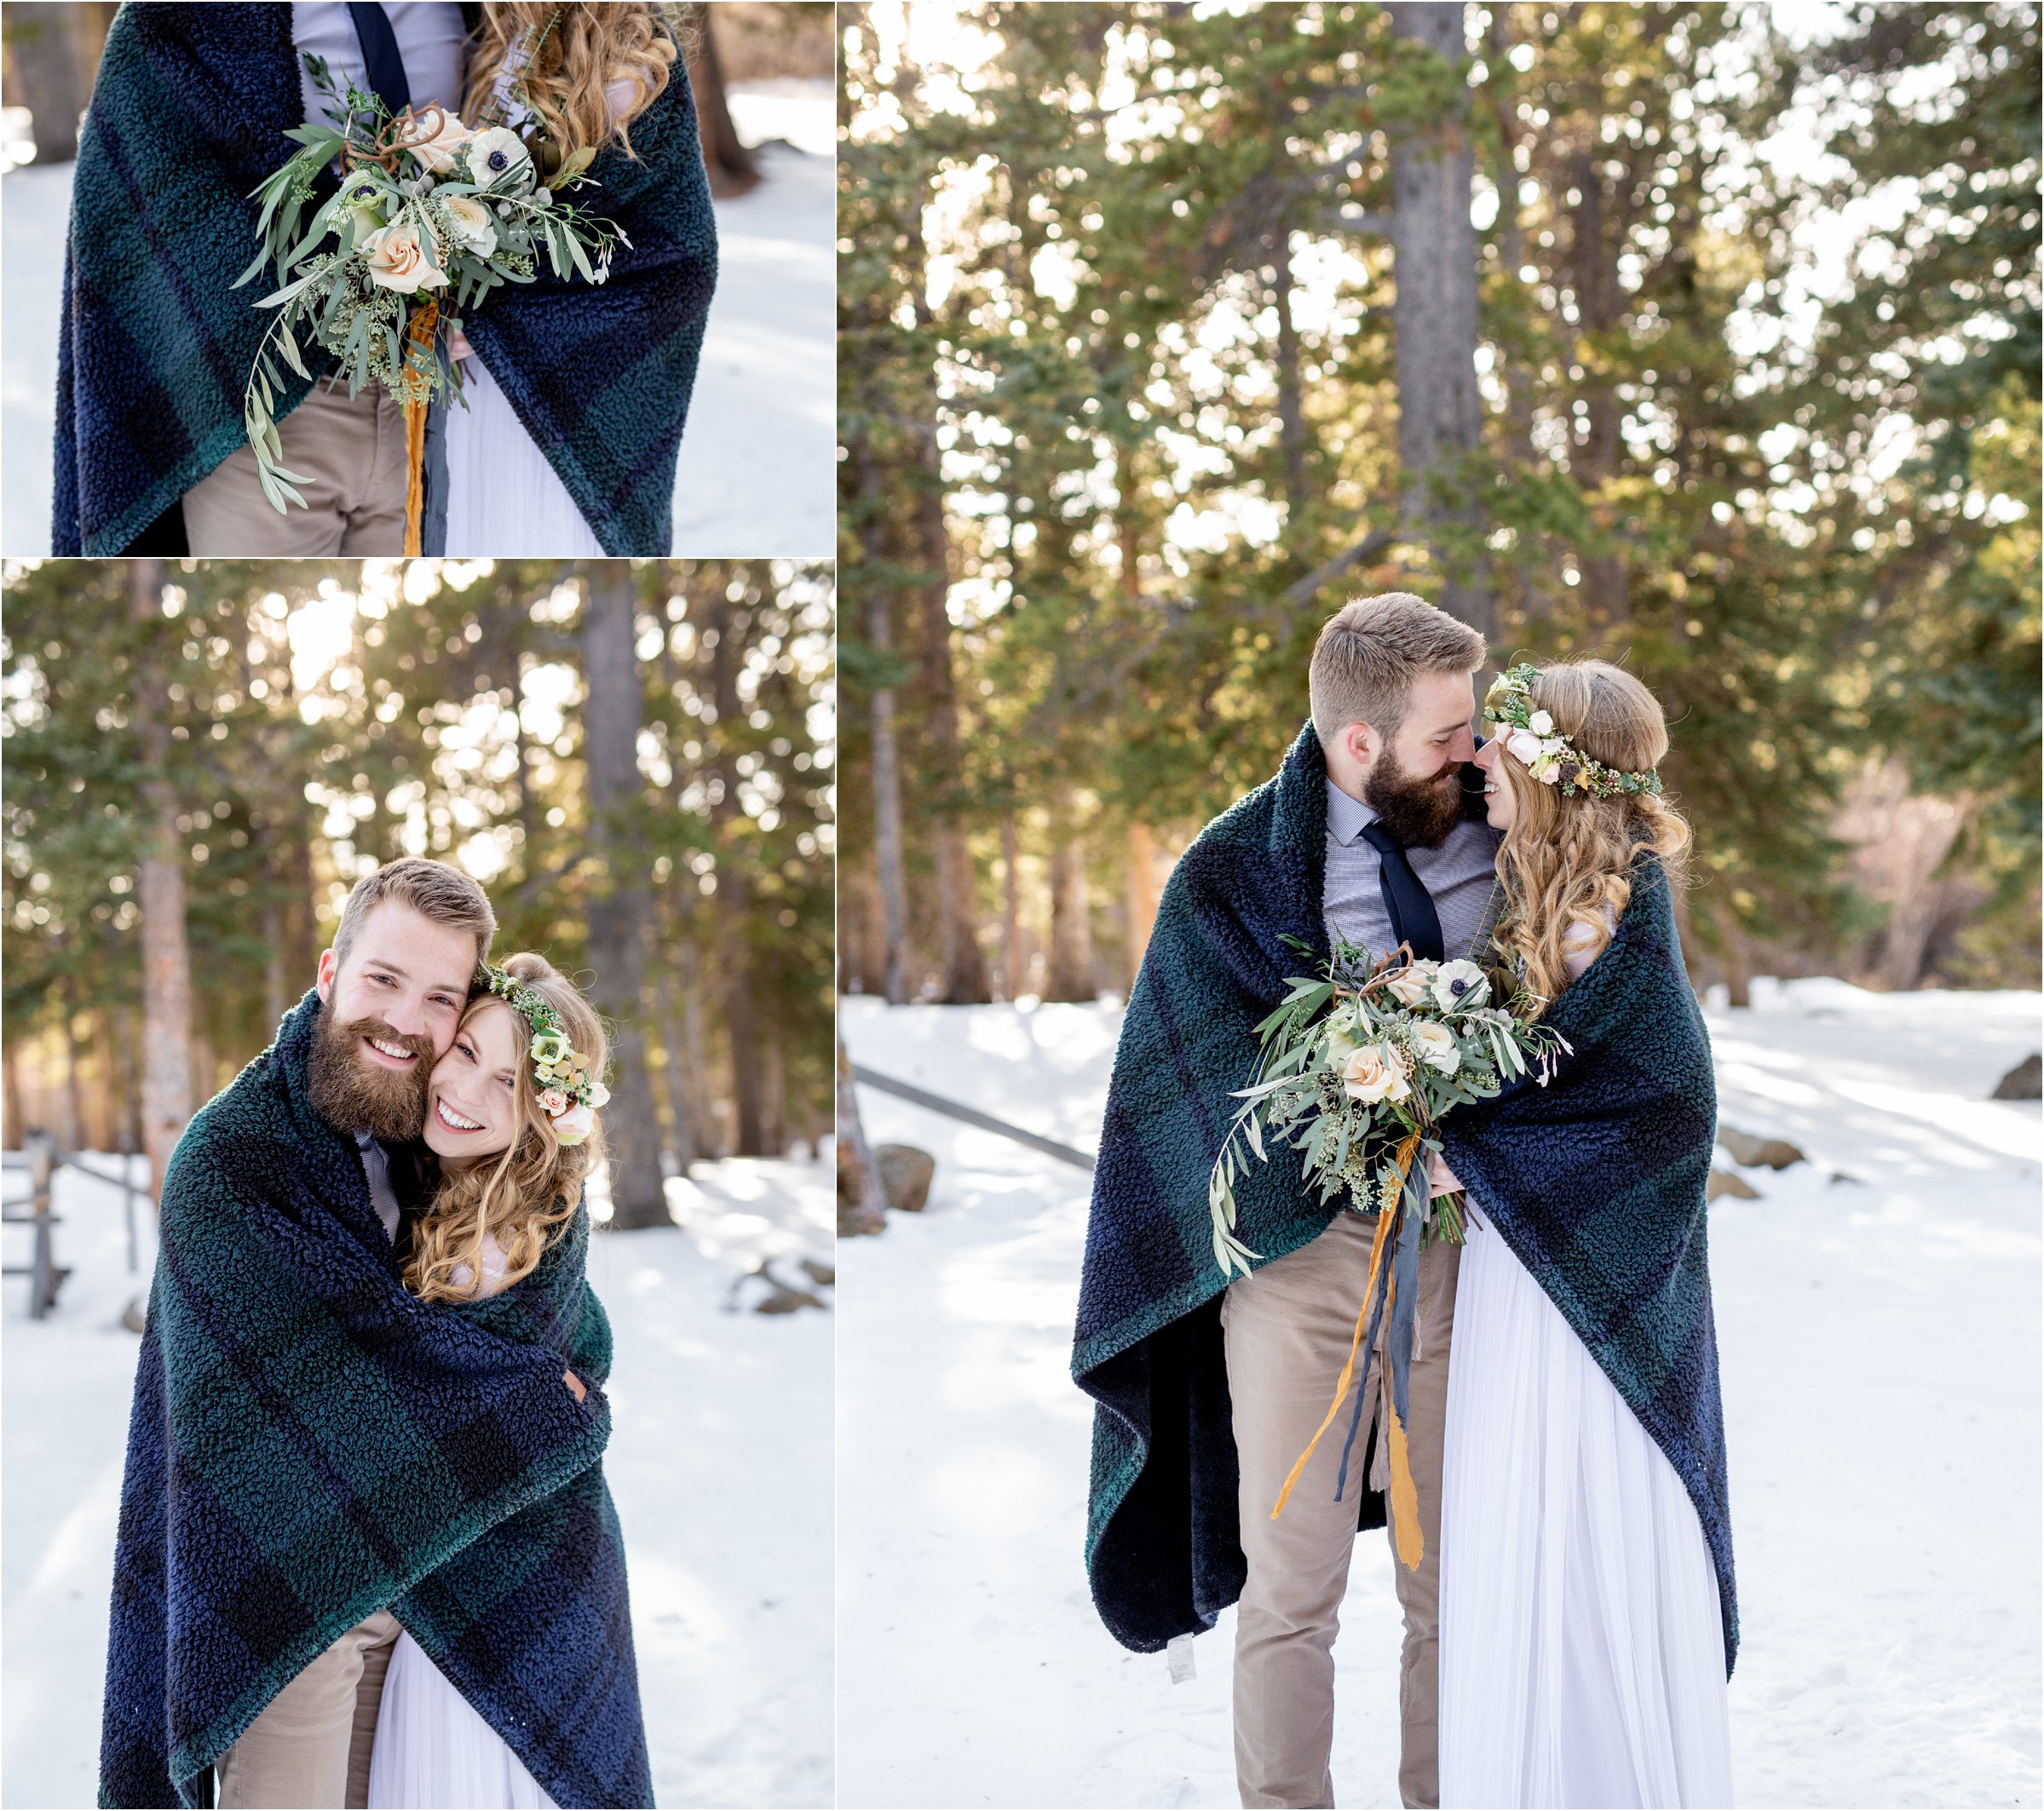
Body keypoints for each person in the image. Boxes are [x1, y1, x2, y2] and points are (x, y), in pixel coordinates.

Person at [100, 859, 650, 1809]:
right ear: (329, 972)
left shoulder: (438, 1140)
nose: (405, 1019)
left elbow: (556, 1336)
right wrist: (531, 1408)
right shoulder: (235, 1159)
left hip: (445, 1587)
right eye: (384, 979)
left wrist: (547, 1383)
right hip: (289, 1609)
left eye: (441, 997)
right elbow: (371, 1372)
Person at [1072, 593, 1499, 1811]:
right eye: (1446, 733)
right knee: (1291, 1583)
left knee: (1445, 1580)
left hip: (1464, 1252)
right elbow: (1184, 1084)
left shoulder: (1502, 829)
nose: (1471, 752)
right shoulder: (1230, 869)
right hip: (1297, 1259)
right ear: (1356, 744)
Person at [55, 1, 715, 558]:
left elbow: (605, 212)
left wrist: (497, 309)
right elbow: (140, 214)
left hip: (437, 413)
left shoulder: (504, 18)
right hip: (267, 416)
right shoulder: (186, 16)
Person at [1432, 662, 1736, 1808]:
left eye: (1493, 747)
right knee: (1524, 1521)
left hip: (1571, 1275)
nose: (1474, 766)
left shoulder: (1600, 913)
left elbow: (1663, 1107)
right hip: (1526, 1259)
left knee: (1569, 1511)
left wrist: (1479, 1149)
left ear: (1548, 769)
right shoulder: (1553, 902)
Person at [366, 953, 622, 1809]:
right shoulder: (453, 1191)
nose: (466, 1088)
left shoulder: (494, 1243)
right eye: (466, 1050)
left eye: (507, 1081)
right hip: (486, 1576)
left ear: (542, 1114)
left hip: (500, 1588)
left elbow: (433, 1400)